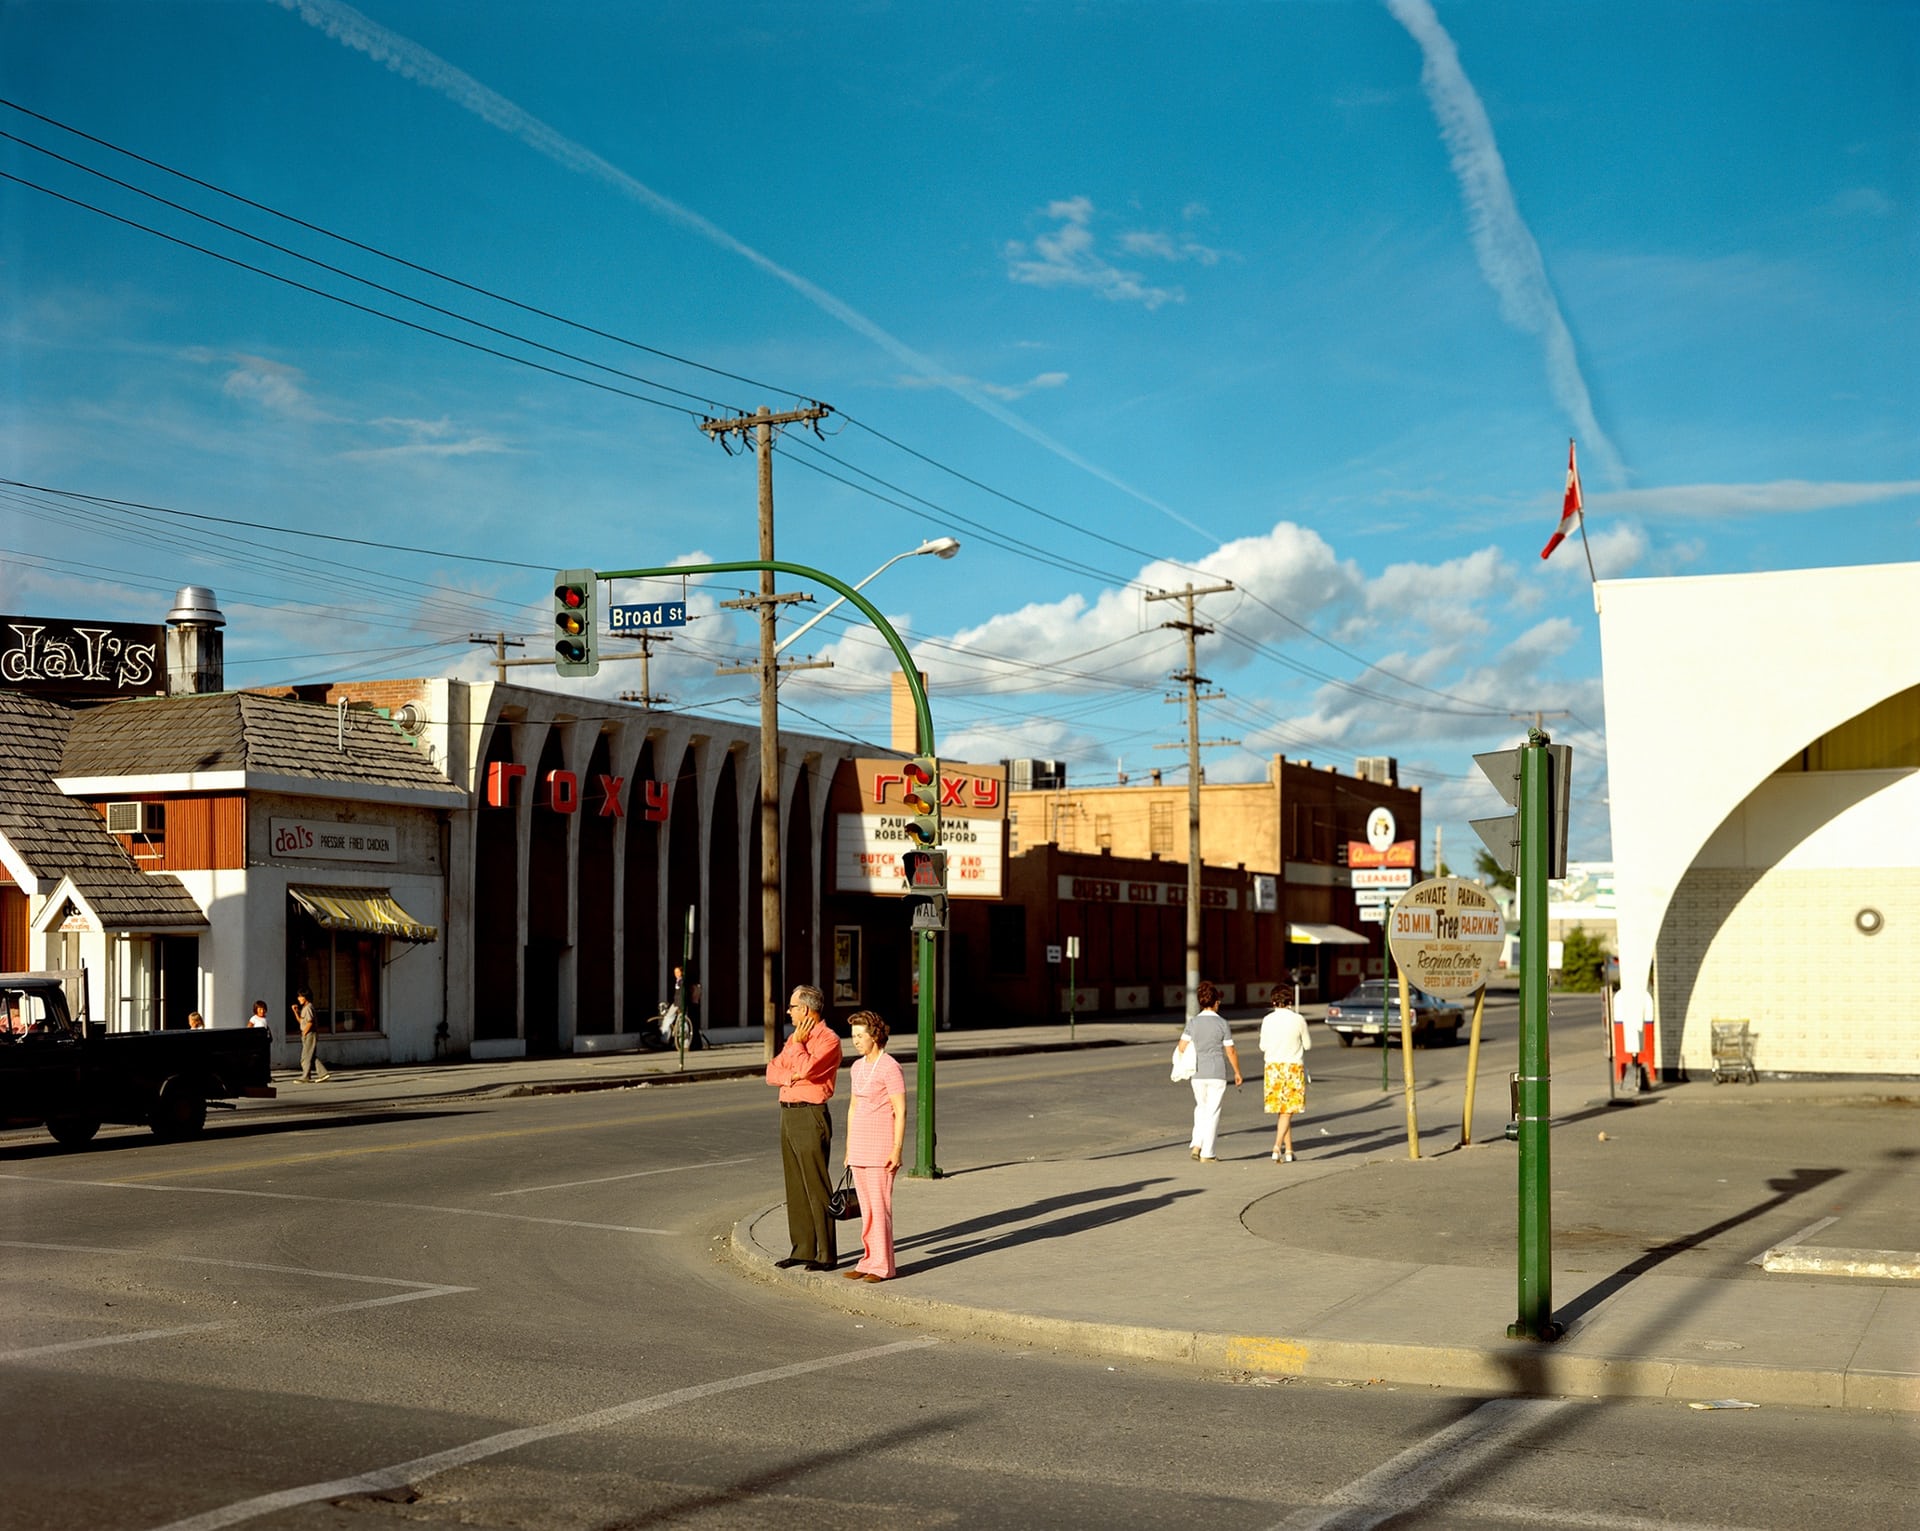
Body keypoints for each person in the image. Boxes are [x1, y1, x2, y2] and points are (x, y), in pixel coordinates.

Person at [764, 984, 841, 1271]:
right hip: (788, 1114)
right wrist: (792, 1074)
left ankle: (826, 1254)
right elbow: (771, 1071)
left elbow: (809, 1070)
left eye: (792, 1007)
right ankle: (803, 1248)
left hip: (810, 1115)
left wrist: (797, 1049)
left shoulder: (827, 1040)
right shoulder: (796, 1038)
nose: (788, 1011)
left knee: (816, 1185)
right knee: (795, 1185)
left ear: (806, 1010)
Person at [842, 1010, 906, 1283]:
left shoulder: (890, 1066)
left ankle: (883, 1266)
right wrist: (848, 1147)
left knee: (880, 1208)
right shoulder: (857, 1067)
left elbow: (900, 1110)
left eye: (860, 1035)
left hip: (881, 1147)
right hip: (859, 1145)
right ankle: (867, 1260)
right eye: (853, 1036)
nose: (855, 1041)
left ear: (875, 1036)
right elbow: (853, 1107)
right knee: (866, 1208)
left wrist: (897, 1148)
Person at [1173, 980, 1241, 1161]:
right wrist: (1237, 1072)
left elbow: (1181, 1046)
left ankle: (1197, 1144)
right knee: (1213, 1112)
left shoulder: (1193, 1023)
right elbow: (1230, 1050)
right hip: (1216, 1073)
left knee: (1201, 1109)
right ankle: (1208, 1152)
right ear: (1216, 1002)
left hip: (1197, 1073)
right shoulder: (1222, 1023)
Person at [1258, 981, 1312, 1162]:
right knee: (1288, 1111)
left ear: (1273, 1001)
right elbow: (1308, 1045)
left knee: (1283, 1111)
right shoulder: (1298, 1020)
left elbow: (1262, 1046)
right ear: (1290, 1000)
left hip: (1273, 1068)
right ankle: (1277, 1146)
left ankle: (1289, 1151)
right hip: (1293, 1067)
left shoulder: (1267, 1020)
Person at [292, 989, 330, 1082]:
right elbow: (302, 1021)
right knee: (311, 1056)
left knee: (305, 1057)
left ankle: (305, 1076)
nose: (299, 998)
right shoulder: (305, 1008)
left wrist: (304, 1032)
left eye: (301, 996)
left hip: (310, 1034)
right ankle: (323, 1074)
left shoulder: (308, 1008)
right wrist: (296, 1012)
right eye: (298, 996)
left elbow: (310, 1022)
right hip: (307, 1033)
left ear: (306, 997)